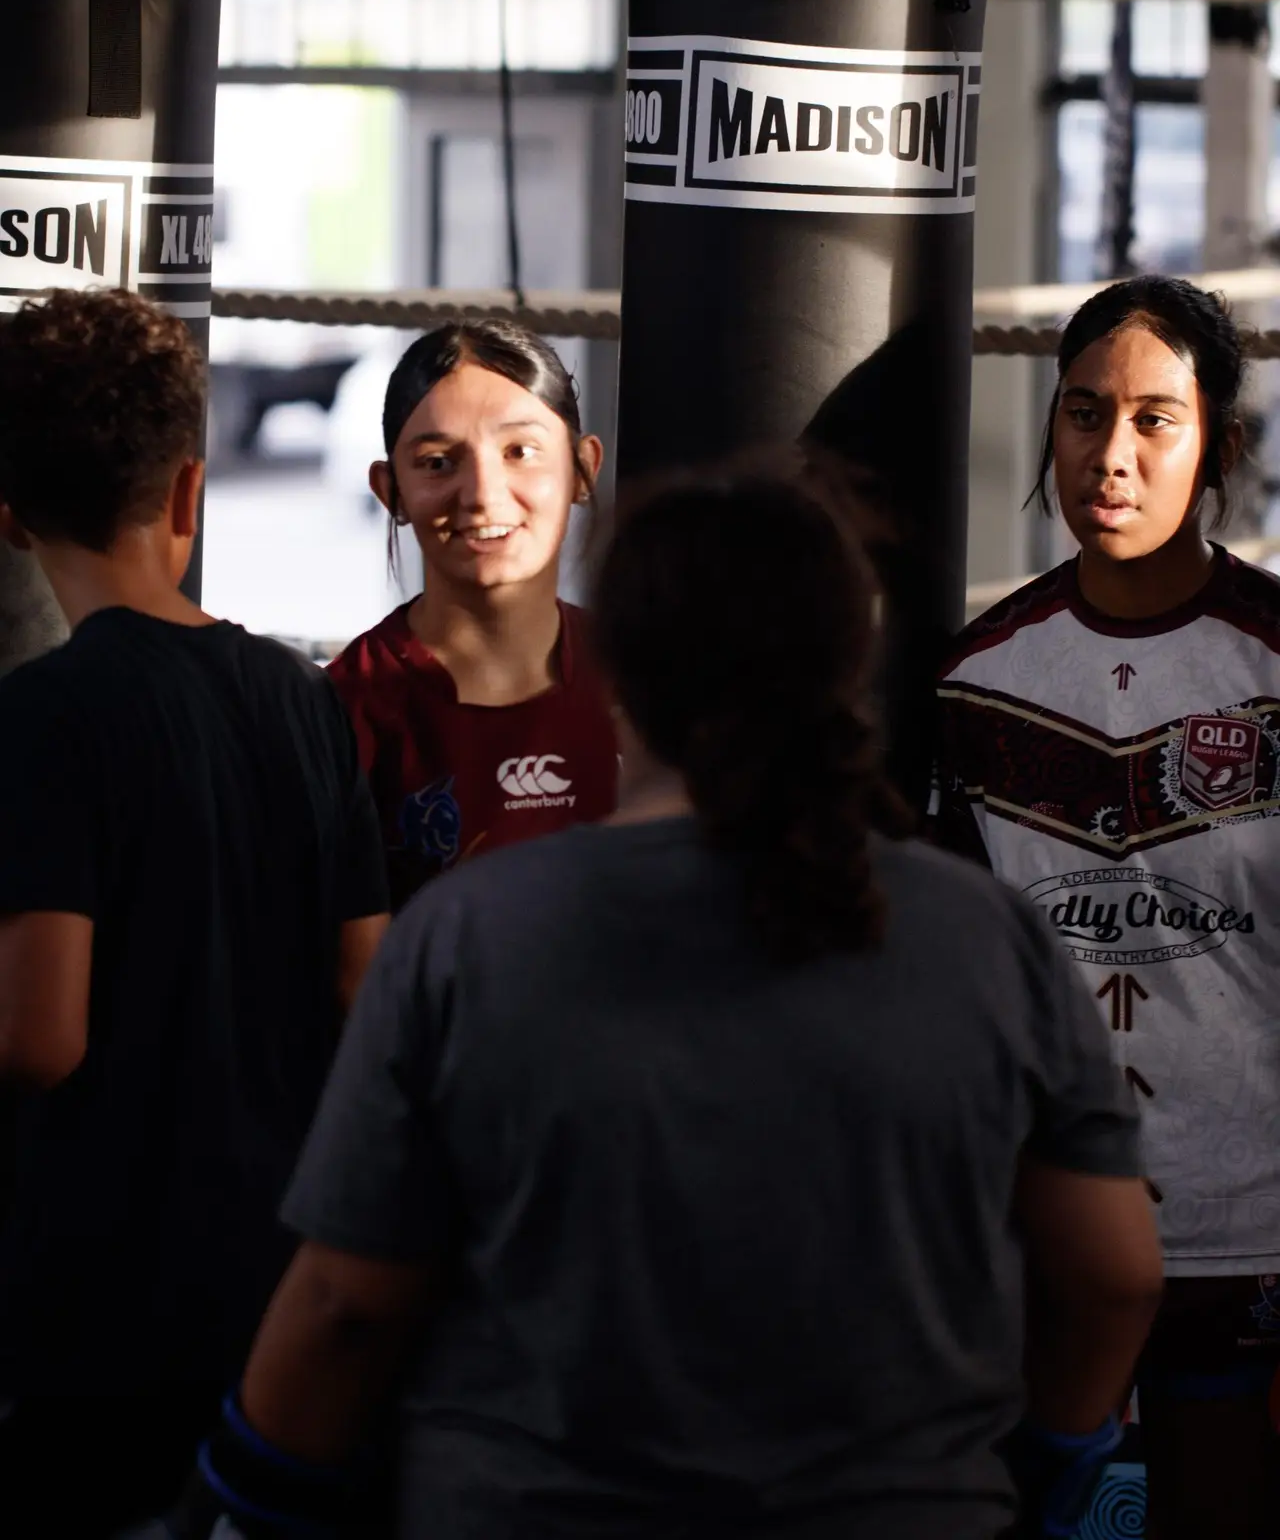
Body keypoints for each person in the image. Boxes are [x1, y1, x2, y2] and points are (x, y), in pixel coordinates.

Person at [178, 452, 1160, 1540]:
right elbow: (1113, 1276)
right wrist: (1034, 1468)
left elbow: (346, 1304)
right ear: (848, 665)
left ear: (619, 680)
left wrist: (243, 1497)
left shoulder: (468, 937)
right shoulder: (991, 940)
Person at [0, 290, 390, 1538]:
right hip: (278, 1279)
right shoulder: (301, 695)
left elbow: (40, 1037)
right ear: (187, 491)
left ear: (9, 517)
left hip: (99, 1301)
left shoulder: (43, 719)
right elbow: (364, 985)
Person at [934, 275, 1280, 1540]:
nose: (1109, 456)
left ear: (1218, 447)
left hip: (1249, 1227)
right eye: (1082, 414)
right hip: (1042, 1224)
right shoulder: (976, 679)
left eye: (1151, 420)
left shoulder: (1269, 661)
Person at [328, 318, 617, 908]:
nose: (483, 494)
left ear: (583, 469)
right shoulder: (347, 710)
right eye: (437, 462)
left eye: (520, 452)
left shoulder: (643, 682)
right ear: (390, 490)